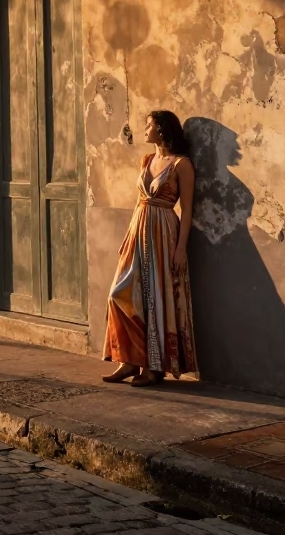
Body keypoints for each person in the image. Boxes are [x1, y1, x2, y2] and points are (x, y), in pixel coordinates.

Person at [102, 110, 199, 386]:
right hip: (139, 229)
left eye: (149, 125)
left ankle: (154, 368)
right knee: (118, 294)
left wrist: (181, 248)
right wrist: (128, 235)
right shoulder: (147, 160)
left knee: (156, 298)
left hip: (165, 232)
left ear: (162, 129)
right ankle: (129, 361)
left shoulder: (182, 165)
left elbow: (188, 209)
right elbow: (138, 201)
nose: (145, 129)